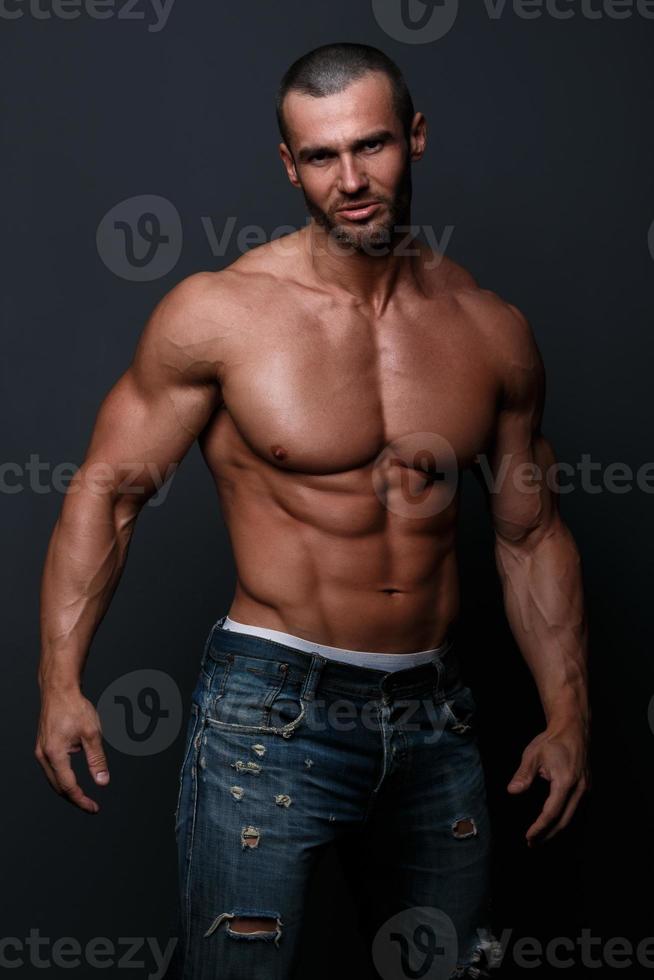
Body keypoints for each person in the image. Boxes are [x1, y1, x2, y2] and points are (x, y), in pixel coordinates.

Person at [35, 42, 590, 980]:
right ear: (289, 166)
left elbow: (528, 533)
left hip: (435, 720)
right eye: (322, 157)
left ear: (414, 138)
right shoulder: (221, 315)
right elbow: (108, 491)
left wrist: (568, 712)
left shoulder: (490, 330)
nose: (351, 179)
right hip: (267, 715)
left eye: (370, 147)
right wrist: (59, 681)